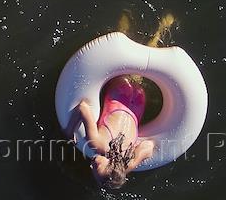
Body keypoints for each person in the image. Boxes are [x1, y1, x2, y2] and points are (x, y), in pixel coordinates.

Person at [68, 13, 177, 191]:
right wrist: (69, 130)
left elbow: (148, 146)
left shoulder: (130, 158)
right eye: (97, 168)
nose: (92, 165)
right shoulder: (97, 144)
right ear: (110, 166)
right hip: (119, 94)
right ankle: (124, 23)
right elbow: (83, 108)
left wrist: (128, 166)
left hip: (138, 100)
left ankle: (162, 29)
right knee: (119, 57)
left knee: (145, 64)